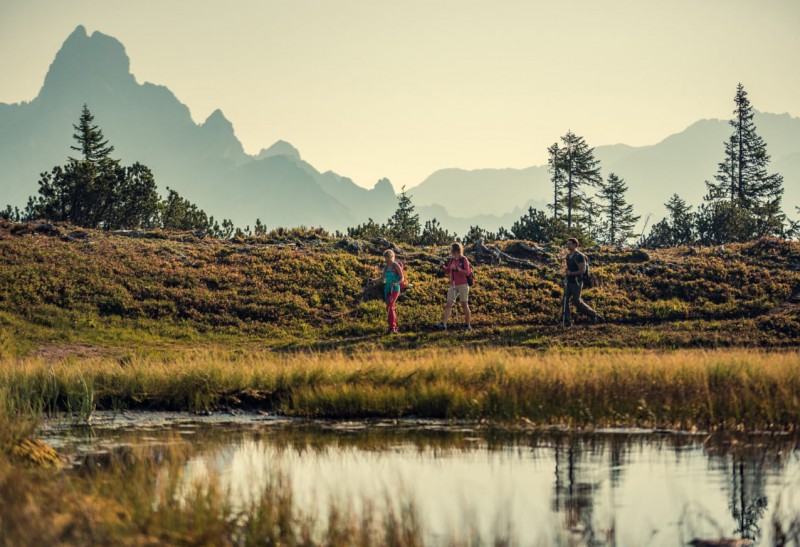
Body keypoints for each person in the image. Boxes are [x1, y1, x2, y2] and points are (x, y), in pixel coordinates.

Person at [562, 237, 603, 326]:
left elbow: (582, 270)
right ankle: (566, 322)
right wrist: (567, 272)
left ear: (575, 245)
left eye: (569, 244)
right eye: (567, 244)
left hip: (577, 282)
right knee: (565, 300)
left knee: (576, 301)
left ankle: (595, 316)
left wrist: (571, 273)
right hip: (569, 281)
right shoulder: (568, 256)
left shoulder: (579, 256)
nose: (567, 245)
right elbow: (569, 268)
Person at [436, 242, 473, 331]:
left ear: (455, 250)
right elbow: (448, 271)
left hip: (463, 284)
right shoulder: (452, 260)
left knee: (464, 304)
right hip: (452, 285)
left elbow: (467, 272)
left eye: (451, 249)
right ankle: (443, 324)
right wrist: (442, 266)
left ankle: (467, 325)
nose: (450, 251)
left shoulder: (463, 259)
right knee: (449, 303)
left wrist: (457, 269)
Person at [376, 249, 404, 334]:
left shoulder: (396, 265)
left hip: (395, 289)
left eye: (388, 257)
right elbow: (382, 278)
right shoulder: (386, 266)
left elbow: (402, 278)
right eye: (386, 257)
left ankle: (392, 328)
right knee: (388, 307)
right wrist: (373, 280)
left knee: (391, 305)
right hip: (387, 289)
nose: (387, 259)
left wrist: (396, 283)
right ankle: (391, 328)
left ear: (392, 256)